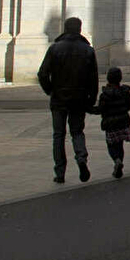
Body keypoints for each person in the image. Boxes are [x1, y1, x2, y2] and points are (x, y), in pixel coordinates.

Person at [37, 16, 99, 184]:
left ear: (65, 29)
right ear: (79, 29)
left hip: (59, 98)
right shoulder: (88, 50)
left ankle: (60, 172)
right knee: (77, 132)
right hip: (79, 98)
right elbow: (93, 79)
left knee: (58, 135)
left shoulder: (55, 48)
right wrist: (91, 100)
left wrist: (50, 90)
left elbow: (42, 73)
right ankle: (81, 158)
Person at [95, 66, 130, 179]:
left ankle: (116, 160)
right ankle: (120, 160)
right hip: (123, 121)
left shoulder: (105, 94)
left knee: (111, 145)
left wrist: (88, 109)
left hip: (110, 123)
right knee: (120, 145)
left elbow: (100, 109)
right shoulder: (125, 92)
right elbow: (129, 105)